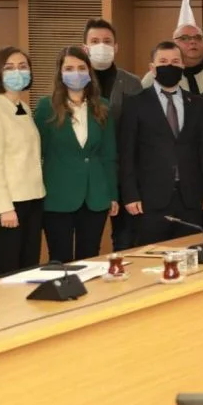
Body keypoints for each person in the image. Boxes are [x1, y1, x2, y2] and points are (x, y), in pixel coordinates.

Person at [120, 41, 203, 244]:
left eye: (175, 62)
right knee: (152, 256)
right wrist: (130, 194)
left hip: (190, 199)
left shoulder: (197, 104)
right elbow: (127, 154)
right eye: (163, 62)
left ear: (182, 66)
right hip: (150, 200)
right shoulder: (135, 103)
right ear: (152, 68)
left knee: (190, 255)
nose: (169, 66)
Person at [34, 46, 118, 263]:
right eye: (69, 68)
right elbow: (36, 154)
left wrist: (112, 194)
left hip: (95, 196)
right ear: (60, 73)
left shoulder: (103, 107)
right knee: (59, 258)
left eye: (81, 68)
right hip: (57, 196)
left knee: (89, 258)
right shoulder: (46, 107)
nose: (76, 73)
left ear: (89, 71)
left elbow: (108, 155)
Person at [0, 46, 45, 276]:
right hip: (9, 205)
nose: (18, 72)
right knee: (7, 271)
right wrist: (4, 208)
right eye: (9, 67)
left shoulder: (23, 107)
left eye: (22, 66)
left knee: (29, 268)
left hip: (32, 199)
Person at [82, 18, 143, 252]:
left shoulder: (132, 83)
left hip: (123, 172)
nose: (102, 46)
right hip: (89, 173)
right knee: (88, 243)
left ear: (116, 47)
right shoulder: (75, 82)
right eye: (95, 41)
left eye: (107, 41)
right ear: (85, 47)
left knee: (126, 241)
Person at [141, 23, 203, 94]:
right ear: (174, 43)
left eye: (198, 38)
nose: (193, 42)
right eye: (184, 38)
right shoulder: (155, 76)